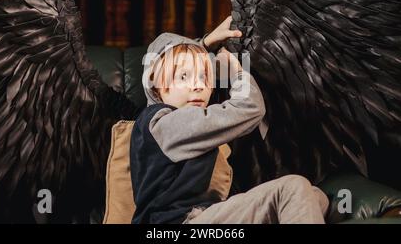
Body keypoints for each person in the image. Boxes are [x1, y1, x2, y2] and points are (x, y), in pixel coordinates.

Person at [130, 16, 329, 224]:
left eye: (204, 77)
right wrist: (236, 72)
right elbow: (250, 108)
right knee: (293, 190)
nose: (198, 86)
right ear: (156, 86)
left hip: (208, 219)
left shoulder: (170, 123)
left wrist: (204, 44)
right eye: (183, 77)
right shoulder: (163, 123)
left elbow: (168, 66)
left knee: (315, 197)